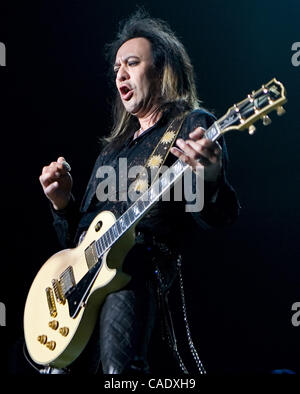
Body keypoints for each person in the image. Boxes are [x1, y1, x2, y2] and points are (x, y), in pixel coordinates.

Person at [39, 11, 240, 374]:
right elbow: (78, 241)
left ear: (162, 71)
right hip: (81, 292)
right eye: (117, 67)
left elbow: (219, 217)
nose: (120, 74)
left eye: (132, 63)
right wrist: (62, 203)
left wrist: (210, 177)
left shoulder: (191, 125)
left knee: (121, 372)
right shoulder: (111, 151)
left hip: (139, 274)